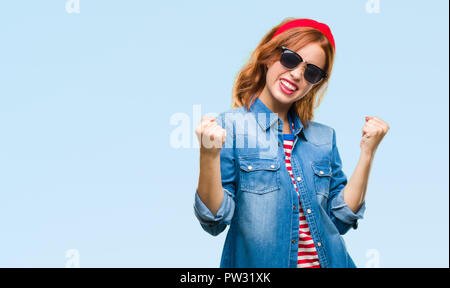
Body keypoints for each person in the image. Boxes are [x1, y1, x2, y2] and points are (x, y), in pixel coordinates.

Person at [193, 18, 390, 268]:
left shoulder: (323, 138)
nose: (297, 74)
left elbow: (340, 219)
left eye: (311, 72)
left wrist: (368, 153)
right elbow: (214, 220)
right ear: (269, 55)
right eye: (290, 59)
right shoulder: (231, 127)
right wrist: (207, 155)